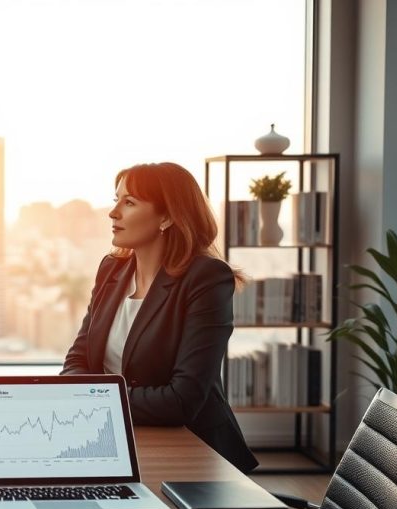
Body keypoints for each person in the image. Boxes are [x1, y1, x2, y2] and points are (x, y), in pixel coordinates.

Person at [61, 162, 258, 473]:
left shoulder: (206, 279)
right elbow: (77, 360)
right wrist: (96, 400)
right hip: (120, 438)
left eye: (129, 202)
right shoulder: (111, 269)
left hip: (193, 451)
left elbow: (182, 400)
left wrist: (95, 400)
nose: (113, 213)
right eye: (116, 200)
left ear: (166, 217)